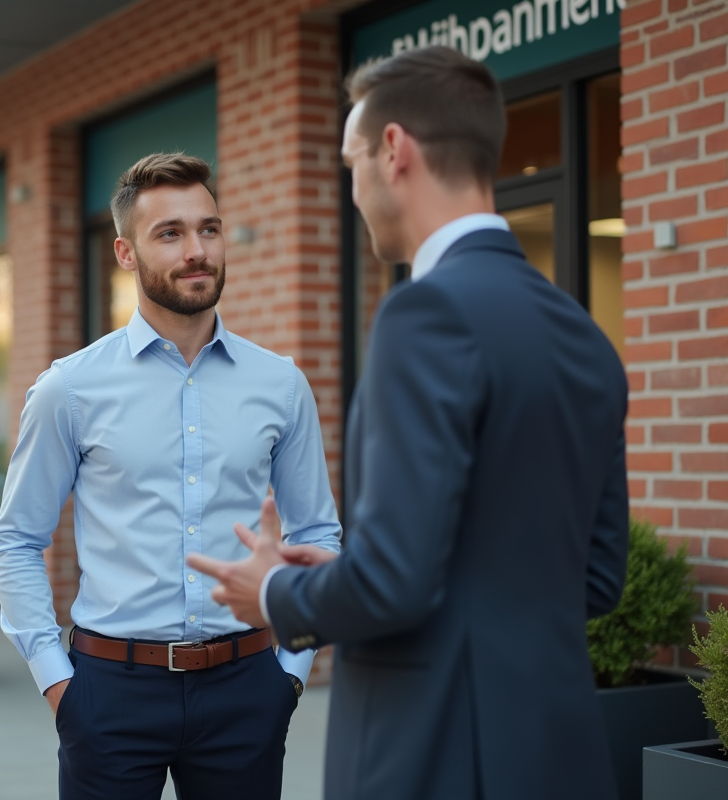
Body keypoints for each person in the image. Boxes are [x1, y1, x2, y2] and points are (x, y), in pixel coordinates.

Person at [188, 46, 629, 800]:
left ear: (394, 152)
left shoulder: (423, 314)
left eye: (350, 161)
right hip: (558, 754)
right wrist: (349, 578)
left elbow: (396, 584)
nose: (352, 191)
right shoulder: (583, 334)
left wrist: (273, 594)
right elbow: (592, 577)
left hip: (437, 758)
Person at [0, 152, 342, 800]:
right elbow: (15, 541)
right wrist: (58, 685)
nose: (196, 250)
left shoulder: (281, 384)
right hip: (109, 694)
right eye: (170, 234)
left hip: (247, 687)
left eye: (208, 228)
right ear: (126, 253)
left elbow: (320, 531)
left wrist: (289, 673)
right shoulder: (70, 388)